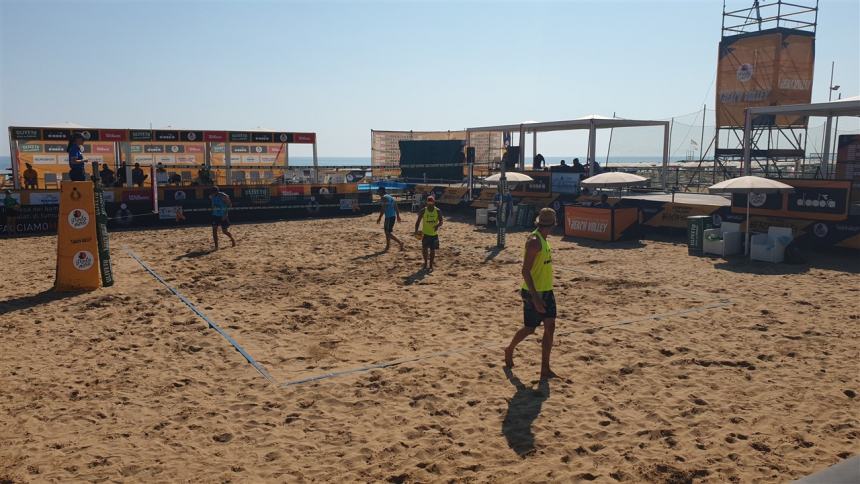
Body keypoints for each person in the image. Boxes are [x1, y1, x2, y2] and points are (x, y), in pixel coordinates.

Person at [505, 207, 558, 380]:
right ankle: (510, 348)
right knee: (530, 329)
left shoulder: (543, 239)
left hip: (547, 290)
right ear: (552, 224)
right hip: (532, 292)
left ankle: (545, 368)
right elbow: (525, 271)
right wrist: (535, 298)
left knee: (550, 327)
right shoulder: (534, 241)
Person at [414, 195, 443, 271]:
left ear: (434, 202)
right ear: (427, 202)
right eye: (428, 202)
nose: (430, 204)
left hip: (434, 234)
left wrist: (438, 225)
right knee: (424, 249)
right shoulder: (423, 210)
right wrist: (416, 231)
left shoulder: (437, 211)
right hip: (425, 234)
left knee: (433, 250)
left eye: (431, 202)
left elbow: (441, 221)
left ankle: (430, 265)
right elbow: (418, 222)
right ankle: (425, 263)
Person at [376, 186, 404, 251]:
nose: (378, 192)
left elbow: (383, 208)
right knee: (387, 232)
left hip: (389, 217)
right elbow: (396, 206)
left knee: (387, 233)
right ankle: (388, 246)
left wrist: (379, 218)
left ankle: (400, 242)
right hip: (392, 216)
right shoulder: (390, 197)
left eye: (378, 191)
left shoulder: (384, 198)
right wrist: (398, 216)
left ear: (382, 191)